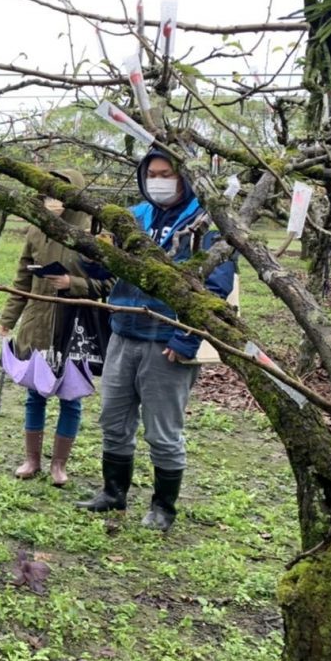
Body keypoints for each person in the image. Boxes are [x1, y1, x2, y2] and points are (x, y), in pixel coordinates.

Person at [77, 147, 236, 532]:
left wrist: (185, 340)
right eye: (153, 173)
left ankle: (163, 506)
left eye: (167, 173)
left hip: (166, 339)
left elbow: (215, 288)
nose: (158, 181)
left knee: (163, 430)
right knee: (113, 418)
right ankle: (113, 492)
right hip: (124, 332)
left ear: (185, 177)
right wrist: (92, 251)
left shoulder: (205, 223)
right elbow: (105, 267)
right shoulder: (134, 216)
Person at [0, 169, 113, 486]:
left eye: (60, 194)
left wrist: (72, 283)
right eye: (47, 194)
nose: (53, 201)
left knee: (70, 397)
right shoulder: (36, 231)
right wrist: (9, 318)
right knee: (35, 393)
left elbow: (110, 281)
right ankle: (32, 459)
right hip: (38, 322)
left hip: (74, 324)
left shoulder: (93, 234)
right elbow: (22, 278)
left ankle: (59, 465)